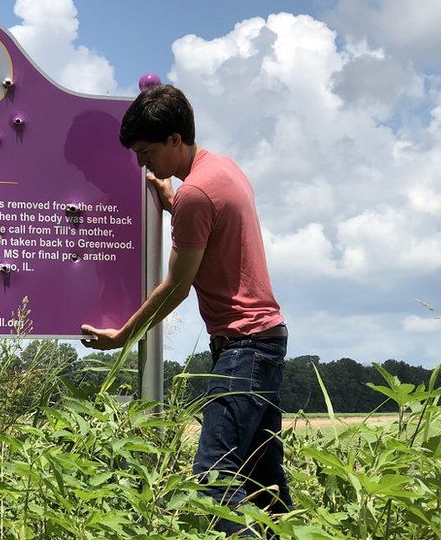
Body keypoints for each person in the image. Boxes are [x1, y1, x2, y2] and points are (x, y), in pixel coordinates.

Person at [80, 84, 293, 535]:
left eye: (146, 151)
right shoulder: (223, 170)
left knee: (214, 478)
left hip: (244, 346)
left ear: (175, 139)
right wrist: (174, 202)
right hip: (267, 339)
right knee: (263, 481)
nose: (141, 163)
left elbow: (178, 285)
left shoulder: (197, 193)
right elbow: (212, 229)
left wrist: (122, 336)